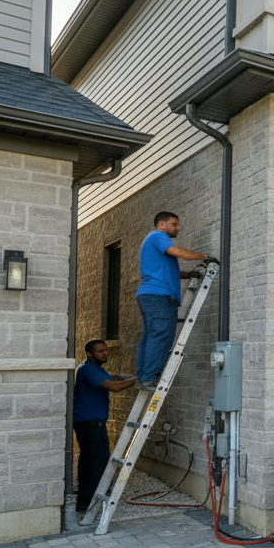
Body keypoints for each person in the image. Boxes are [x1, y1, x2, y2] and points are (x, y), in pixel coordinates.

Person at [136, 211, 214, 390]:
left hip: (150, 295)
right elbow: (175, 251)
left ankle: (143, 378)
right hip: (159, 297)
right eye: (174, 224)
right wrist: (204, 256)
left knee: (150, 337)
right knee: (161, 336)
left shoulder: (151, 241)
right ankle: (149, 378)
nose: (178, 228)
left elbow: (165, 271)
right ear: (161, 224)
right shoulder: (158, 236)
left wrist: (189, 274)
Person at [73, 340, 136, 513]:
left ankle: (84, 501)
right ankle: (90, 502)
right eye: (100, 351)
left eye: (106, 350)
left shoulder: (96, 368)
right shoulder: (87, 369)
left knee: (88, 461)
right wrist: (139, 380)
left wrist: (124, 377)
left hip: (88, 421)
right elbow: (113, 386)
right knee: (97, 462)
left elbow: (112, 379)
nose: (105, 353)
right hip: (90, 422)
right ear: (89, 353)